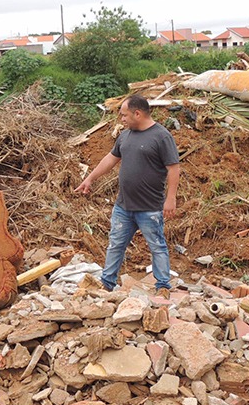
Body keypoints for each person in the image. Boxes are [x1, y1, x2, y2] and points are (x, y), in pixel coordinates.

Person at [74, 94, 180, 299]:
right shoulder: (125, 136)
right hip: (124, 206)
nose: (121, 119)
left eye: (124, 115)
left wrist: (171, 198)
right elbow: (110, 159)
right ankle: (107, 282)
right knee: (115, 244)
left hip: (150, 207)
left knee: (157, 246)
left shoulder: (161, 136)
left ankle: (163, 285)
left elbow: (173, 168)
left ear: (137, 113)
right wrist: (90, 179)